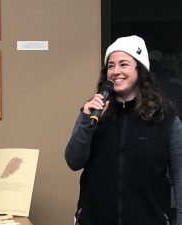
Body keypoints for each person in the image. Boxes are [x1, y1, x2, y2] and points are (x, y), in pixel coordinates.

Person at [65, 35, 182, 225]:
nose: (115, 71)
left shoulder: (165, 117)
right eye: (111, 66)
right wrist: (87, 121)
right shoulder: (94, 112)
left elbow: (179, 175)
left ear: (140, 69)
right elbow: (73, 161)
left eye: (123, 64)